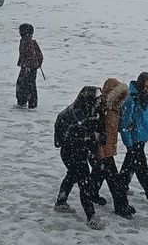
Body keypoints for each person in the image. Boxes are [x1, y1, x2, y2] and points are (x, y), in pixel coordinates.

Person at [53, 86, 107, 230]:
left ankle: (61, 202)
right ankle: (91, 216)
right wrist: (90, 137)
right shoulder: (76, 115)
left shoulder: (93, 111)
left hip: (82, 148)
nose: (99, 101)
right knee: (84, 181)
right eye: (97, 99)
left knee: (72, 175)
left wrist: (97, 137)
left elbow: (100, 131)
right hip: (70, 151)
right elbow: (71, 139)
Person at [119, 71, 148, 205]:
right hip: (134, 139)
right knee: (141, 167)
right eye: (145, 86)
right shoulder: (132, 100)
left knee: (131, 164)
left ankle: (120, 185)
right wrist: (128, 144)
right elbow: (124, 123)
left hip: (143, 137)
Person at [90, 77, 134, 219]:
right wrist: (101, 152)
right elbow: (98, 132)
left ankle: (92, 194)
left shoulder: (114, 109)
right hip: (103, 150)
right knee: (115, 181)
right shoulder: (103, 111)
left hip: (107, 149)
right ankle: (121, 206)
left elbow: (114, 129)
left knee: (99, 173)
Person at [15, 23, 43, 109]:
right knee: (30, 85)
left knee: (24, 85)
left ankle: (23, 102)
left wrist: (27, 65)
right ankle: (32, 103)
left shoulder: (26, 41)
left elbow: (29, 54)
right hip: (31, 67)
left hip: (28, 67)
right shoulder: (29, 40)